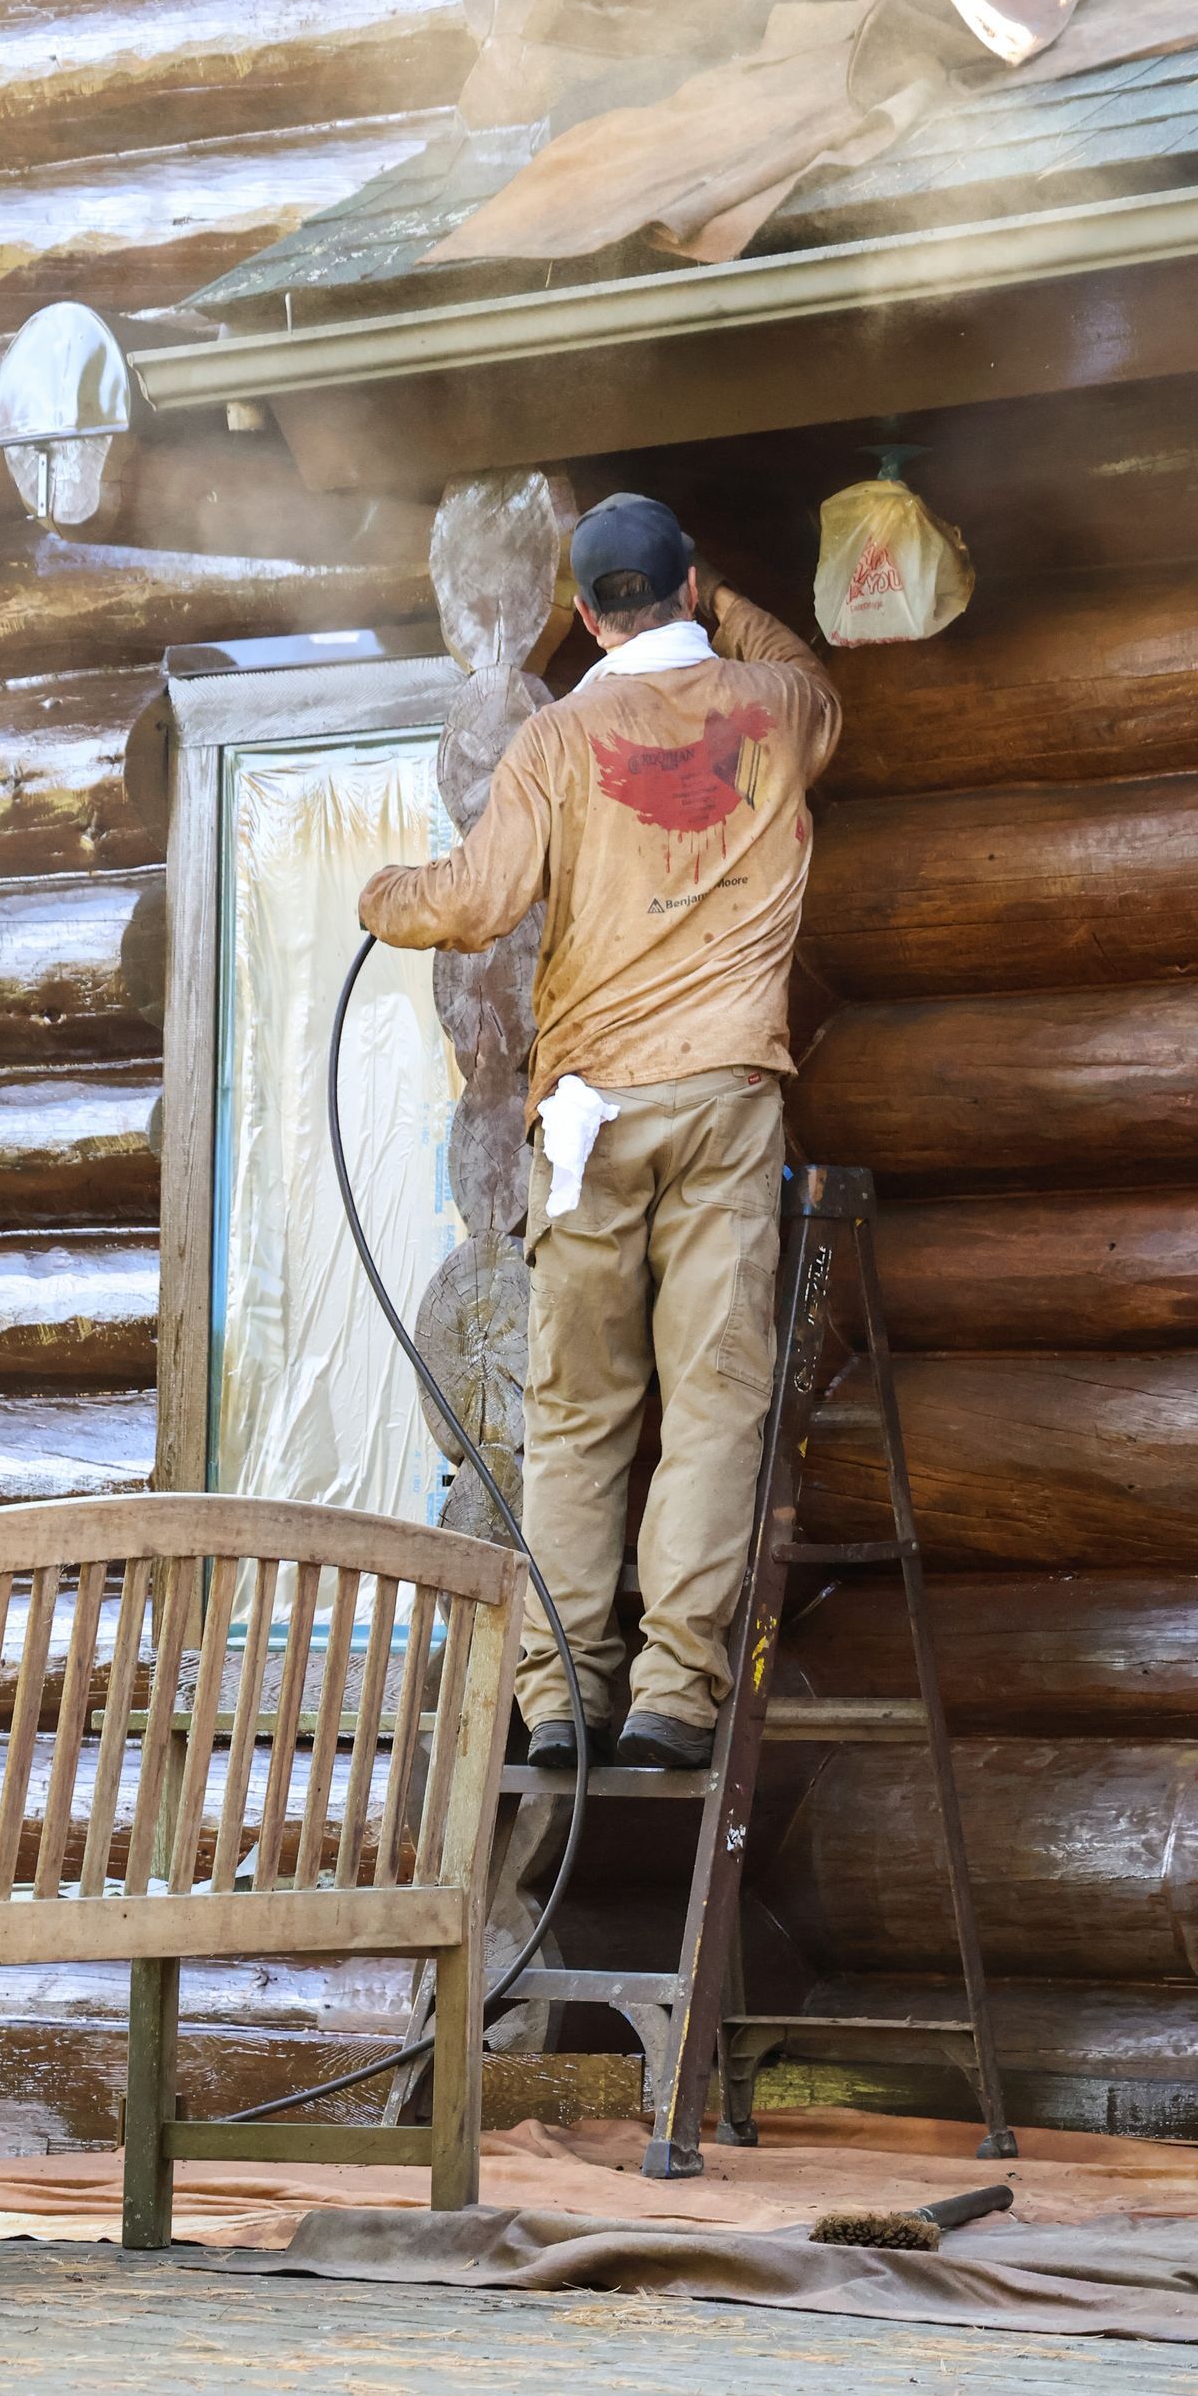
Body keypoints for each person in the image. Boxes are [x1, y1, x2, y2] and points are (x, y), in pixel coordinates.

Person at [358, 494, 841, 1770]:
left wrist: (381, 892)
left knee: (576, 1415)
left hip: (587, 1119)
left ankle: (564, 1691)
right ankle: (677, 1697)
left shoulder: (556, 742)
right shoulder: (775, 711)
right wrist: (725, 590)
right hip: (728, 1099)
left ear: (581, 616)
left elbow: (470, 905)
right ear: (683, 588)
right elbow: (801, 664)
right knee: (717, 1401)